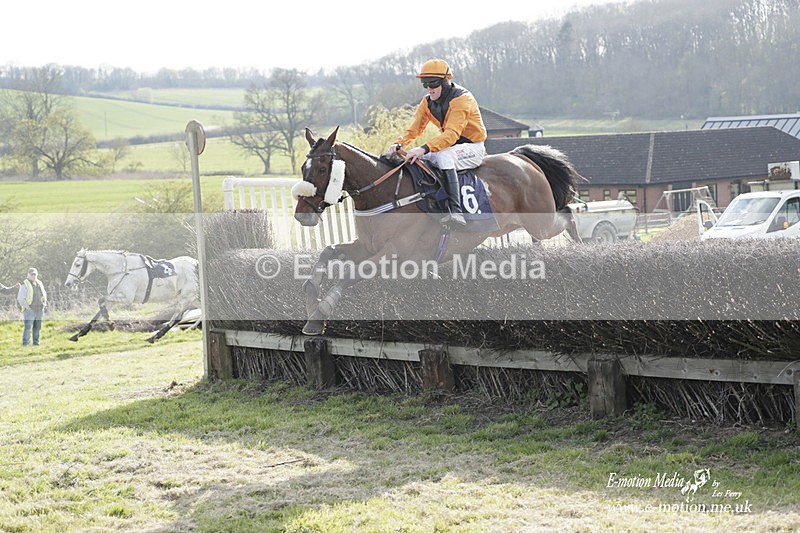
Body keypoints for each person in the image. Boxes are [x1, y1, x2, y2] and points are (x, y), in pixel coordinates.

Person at [388, 58, 488, 226]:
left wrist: (423, 148)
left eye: (433, 84)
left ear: (446, 81)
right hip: (450, 147)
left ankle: (456, 212)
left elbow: (451, 135)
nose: (429, 89)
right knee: (417, 160)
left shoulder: (462, 100)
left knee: (443, 157)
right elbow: (414, 130)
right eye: (425, 84)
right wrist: (399, 144)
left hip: (473, 148)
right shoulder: (427, 102)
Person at [17, 268, 47, 347]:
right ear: (28, 275)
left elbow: (44, 294)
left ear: (37, 275)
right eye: (32, 274)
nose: (33, 276)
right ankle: (25, 344)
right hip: (30, 310)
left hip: (40, 309)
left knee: (37, 327)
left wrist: (44, 304)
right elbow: (20, 298)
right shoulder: (24, 284)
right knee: (28, 327)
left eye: (35, 274)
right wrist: (28, 307)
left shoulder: (39, 283)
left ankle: (36, 343)